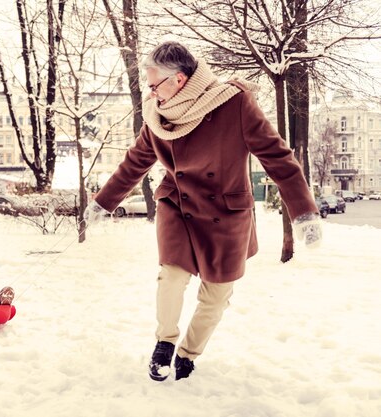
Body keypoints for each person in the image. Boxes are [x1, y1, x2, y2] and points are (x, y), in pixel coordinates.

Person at [84, 41, 321, 382]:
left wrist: (303, 212)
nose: (151, 94)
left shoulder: (234, 103)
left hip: (225, 211)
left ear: (178, 80)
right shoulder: (156, 115)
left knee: (216, 295)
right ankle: (164, 344)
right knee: (171, 275)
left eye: (154, 85)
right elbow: (136, 162)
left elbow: (277, 157)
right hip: (177, 203)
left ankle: (188, 352)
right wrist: (103, 202)